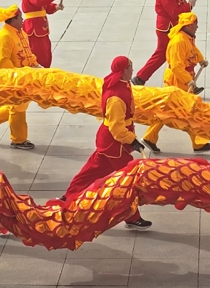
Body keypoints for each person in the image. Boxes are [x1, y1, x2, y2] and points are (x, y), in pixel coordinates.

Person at [63, 55, 151, 230]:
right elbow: (117, 129)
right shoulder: (115, 97)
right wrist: (132, 140)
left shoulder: (120, 85)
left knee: (90, 172)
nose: (133, 70)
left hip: (110, 143)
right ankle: (132, 217)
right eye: (130, 67)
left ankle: (68, 198)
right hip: (115, 145)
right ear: (124, 71)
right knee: (128, 180)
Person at [139, 12, 210, 154]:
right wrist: (188, 80)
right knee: (184, 111)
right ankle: (196, 143)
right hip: (177, 81)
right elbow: (176, 66)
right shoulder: (178, 42)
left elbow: (193, 49)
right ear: (188, 25)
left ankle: (150, 138)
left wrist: (200, 60)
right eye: (195, 24)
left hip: (184, 79)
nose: (197, 27)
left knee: (173, 111)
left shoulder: (187, 38)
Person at [0, 5, 39, 149]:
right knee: (18, 108)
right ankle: (18, 140)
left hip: (26, 75)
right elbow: (4, 61)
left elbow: (27, 52)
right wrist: (16, 77)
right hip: (15, 79)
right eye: (20, 18)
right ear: (13, 20)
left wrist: (35, 65)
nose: (23, 20)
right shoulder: (5, 36)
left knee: (17, 106)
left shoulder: (20, 32)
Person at [133, 0, 193, 85]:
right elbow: (174, 12)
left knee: (178, 52)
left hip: (173, 26)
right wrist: (188, 6)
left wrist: (188, 6)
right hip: (167, 28)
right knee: (164, 53)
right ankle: (140, 77)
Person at [17, 0, 63, 68]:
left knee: (45, 49)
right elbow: (39, 0)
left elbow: (44, 5)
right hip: (34, 27)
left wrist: (55, 7)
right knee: (39, 50)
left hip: (39, 26)